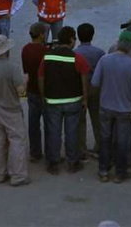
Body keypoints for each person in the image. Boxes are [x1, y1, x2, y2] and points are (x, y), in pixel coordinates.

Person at [91, 31, 131, 183]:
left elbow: (95, 82)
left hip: (105, 106)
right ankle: (120, 173)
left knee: (105, 139)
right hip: (124, 109)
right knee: (122, 141)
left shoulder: (104, 60)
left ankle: (103, 170)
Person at [39, 26, 91, 175]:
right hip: (73, 101)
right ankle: (72, 162)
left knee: (53, 132)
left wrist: (44, 96)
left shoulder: (48, 57)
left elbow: (41, 77)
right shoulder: (77, 58)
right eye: (74, 38)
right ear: (70, 40)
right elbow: (84, 78)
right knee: (72, 132)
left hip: (53, 101)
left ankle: (53, 162)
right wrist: (85, 99)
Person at [0, 35, 30, 186]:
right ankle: (17, 175)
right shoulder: (13, 67)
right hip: (11, 109)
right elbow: (20, 91)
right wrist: (25, 80)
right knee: (16, 141)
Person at [74, 23, 106, 158]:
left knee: (80, 121)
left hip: (79, 88)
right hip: (95, 87)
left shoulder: (75, 53)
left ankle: (81, 149)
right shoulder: (99, 53)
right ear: (92, 36)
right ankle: (100, 146)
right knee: (97, 119)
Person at [21, 22, 49, 162]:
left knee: (33, 123)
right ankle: (50, 152)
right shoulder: (45, 51)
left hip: (31, 89)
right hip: (45, 92)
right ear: (42, 35)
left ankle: (35, 152)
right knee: (49, 124)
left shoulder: (25, 49)